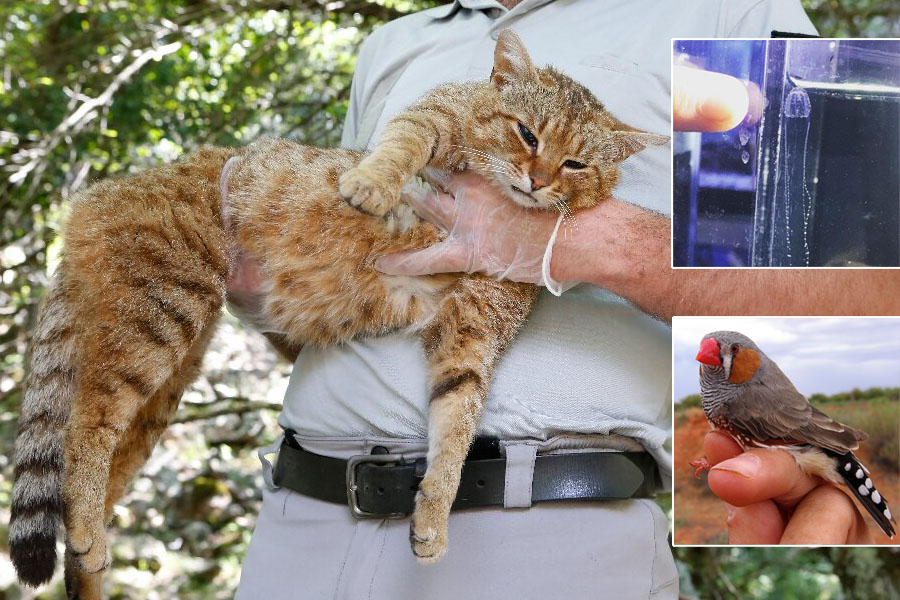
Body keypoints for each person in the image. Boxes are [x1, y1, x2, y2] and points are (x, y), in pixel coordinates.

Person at [228, 1, 889, 597]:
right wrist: (262, 289)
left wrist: (577, 242)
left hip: (545, 535)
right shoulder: (393, 42)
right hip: (300, 517)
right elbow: (332, 306)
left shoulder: (730, 13)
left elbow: (873, 297)